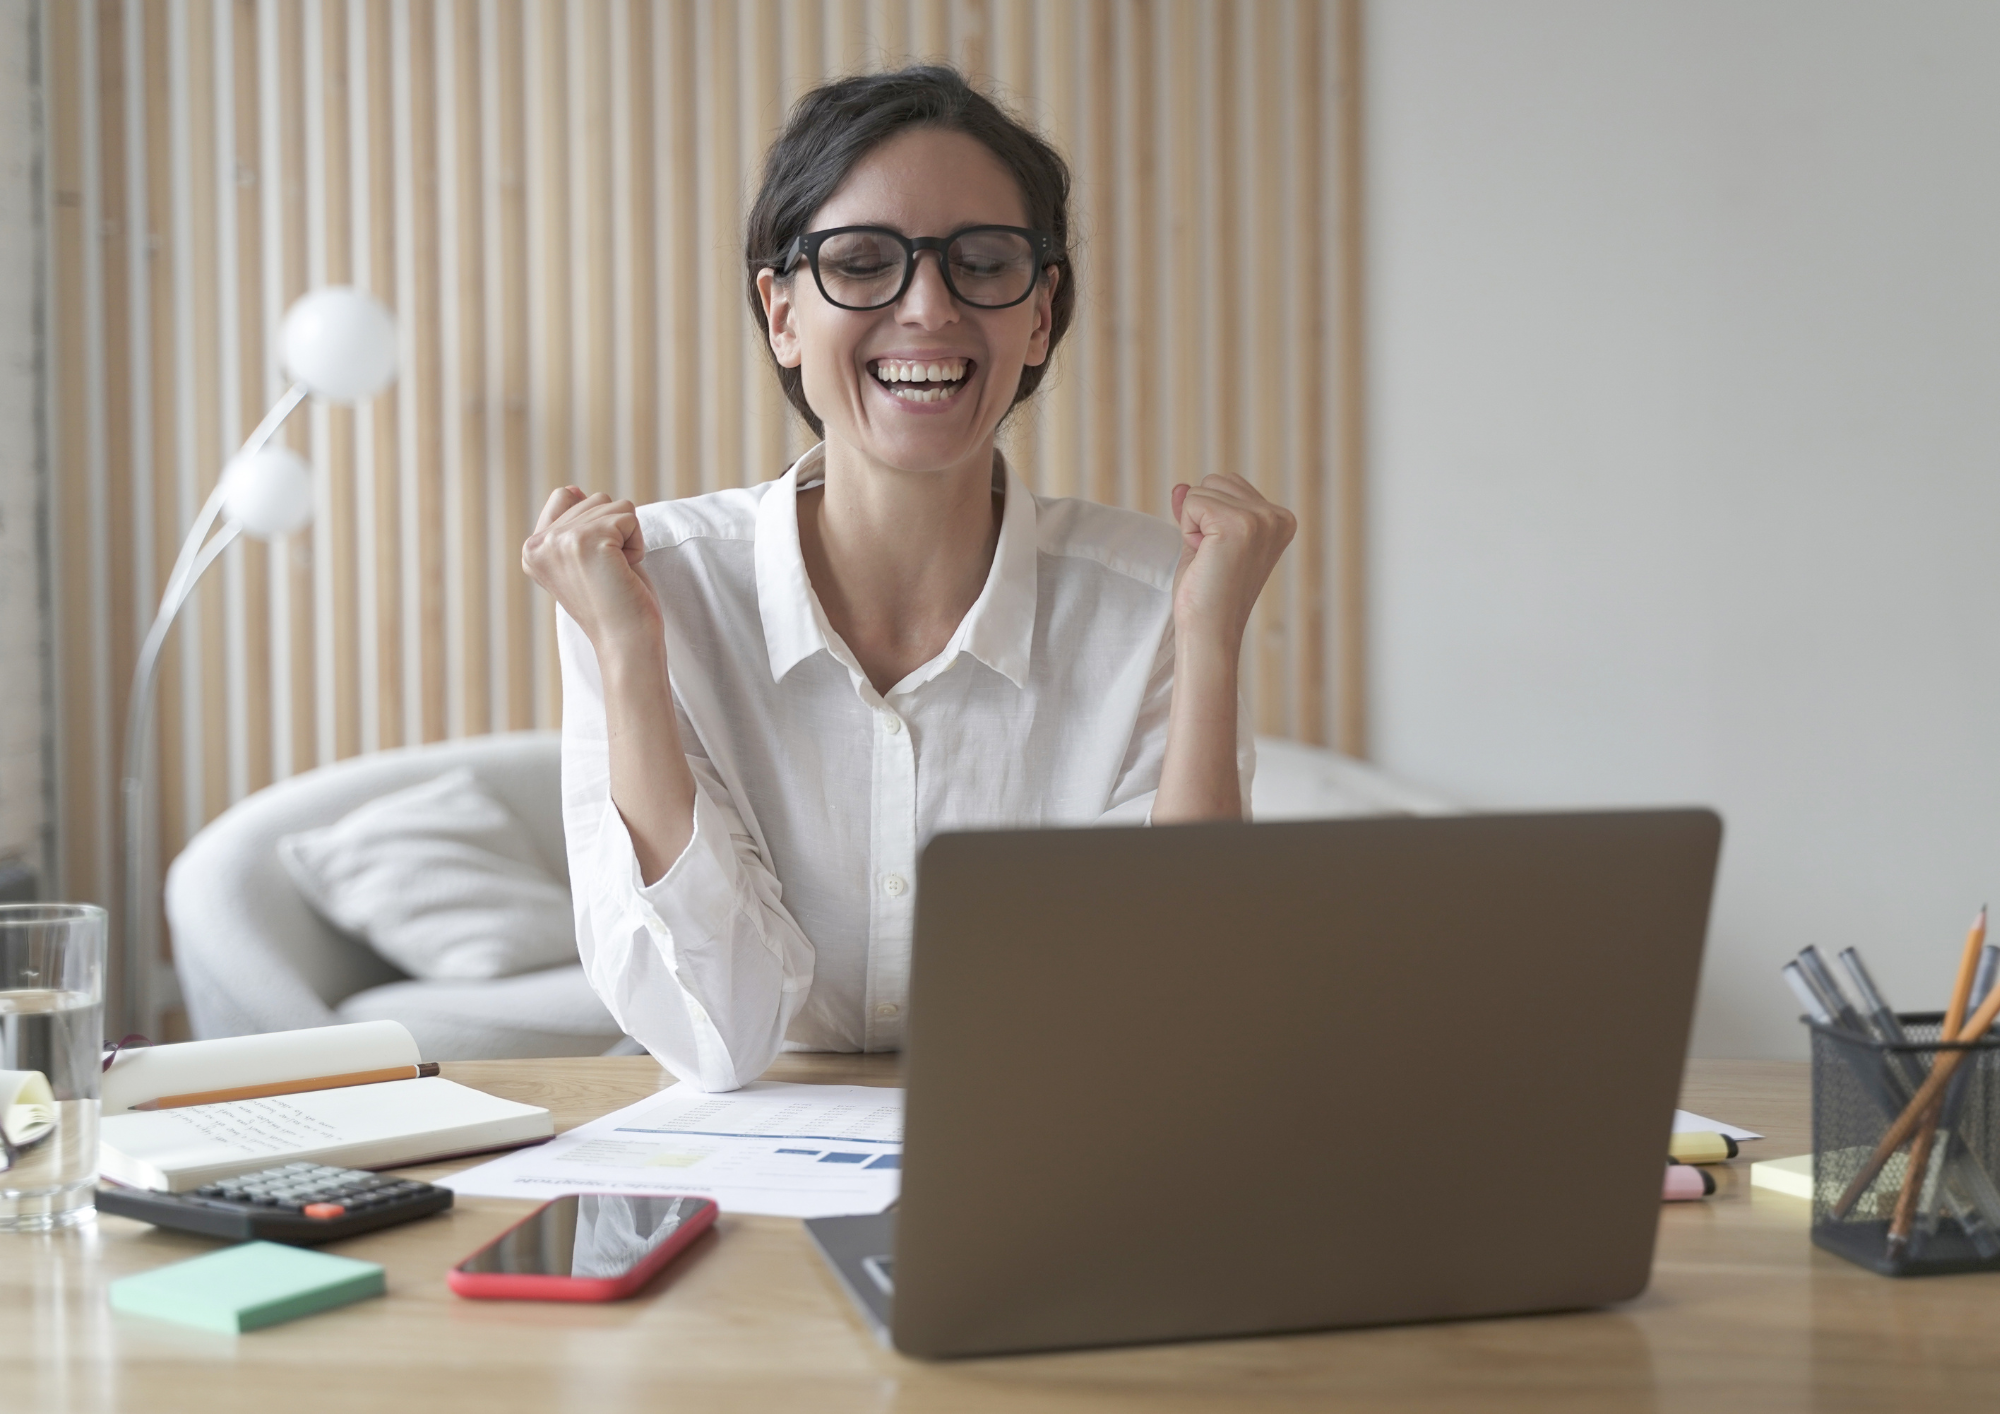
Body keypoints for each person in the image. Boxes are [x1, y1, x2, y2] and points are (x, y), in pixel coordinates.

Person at [522, 66, 1295, 1092]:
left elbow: (1172, 1012)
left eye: (982, 262)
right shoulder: (644, 589)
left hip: (1037, 1144)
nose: (927, 308)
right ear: (782, 313)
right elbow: (722, 1035)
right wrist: (627, 657)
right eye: (860, 262)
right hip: (746, 1148)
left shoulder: (1160, 595)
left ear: (1038, 313)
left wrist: (1207, 641)